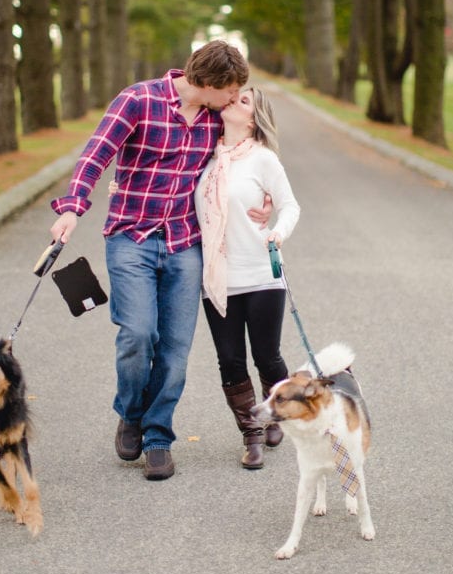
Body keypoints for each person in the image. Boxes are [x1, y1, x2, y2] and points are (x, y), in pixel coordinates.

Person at [49, 39, 250, 482]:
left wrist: (264, 203)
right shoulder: (139, 100)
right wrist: (71, 208)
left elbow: (244, 163)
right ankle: (131, 413)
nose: (234, 99)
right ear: (210, 82)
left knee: (175, 352)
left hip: (185, 243)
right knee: (139, 334)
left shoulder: (219, 119)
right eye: (231, 90)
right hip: (131, 238)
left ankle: (158, 438)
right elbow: (95, 155)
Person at [194, 86, 300, 470]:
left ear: (253, 119)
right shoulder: (203, 152)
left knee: (266, 356)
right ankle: (251, 434)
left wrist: (277, 231)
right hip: (218, 277)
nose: (233, 102)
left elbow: (290, 206)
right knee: (230, 361)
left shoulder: (263, 159)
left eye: (243, 101)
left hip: (260, 273)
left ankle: (277, 414)